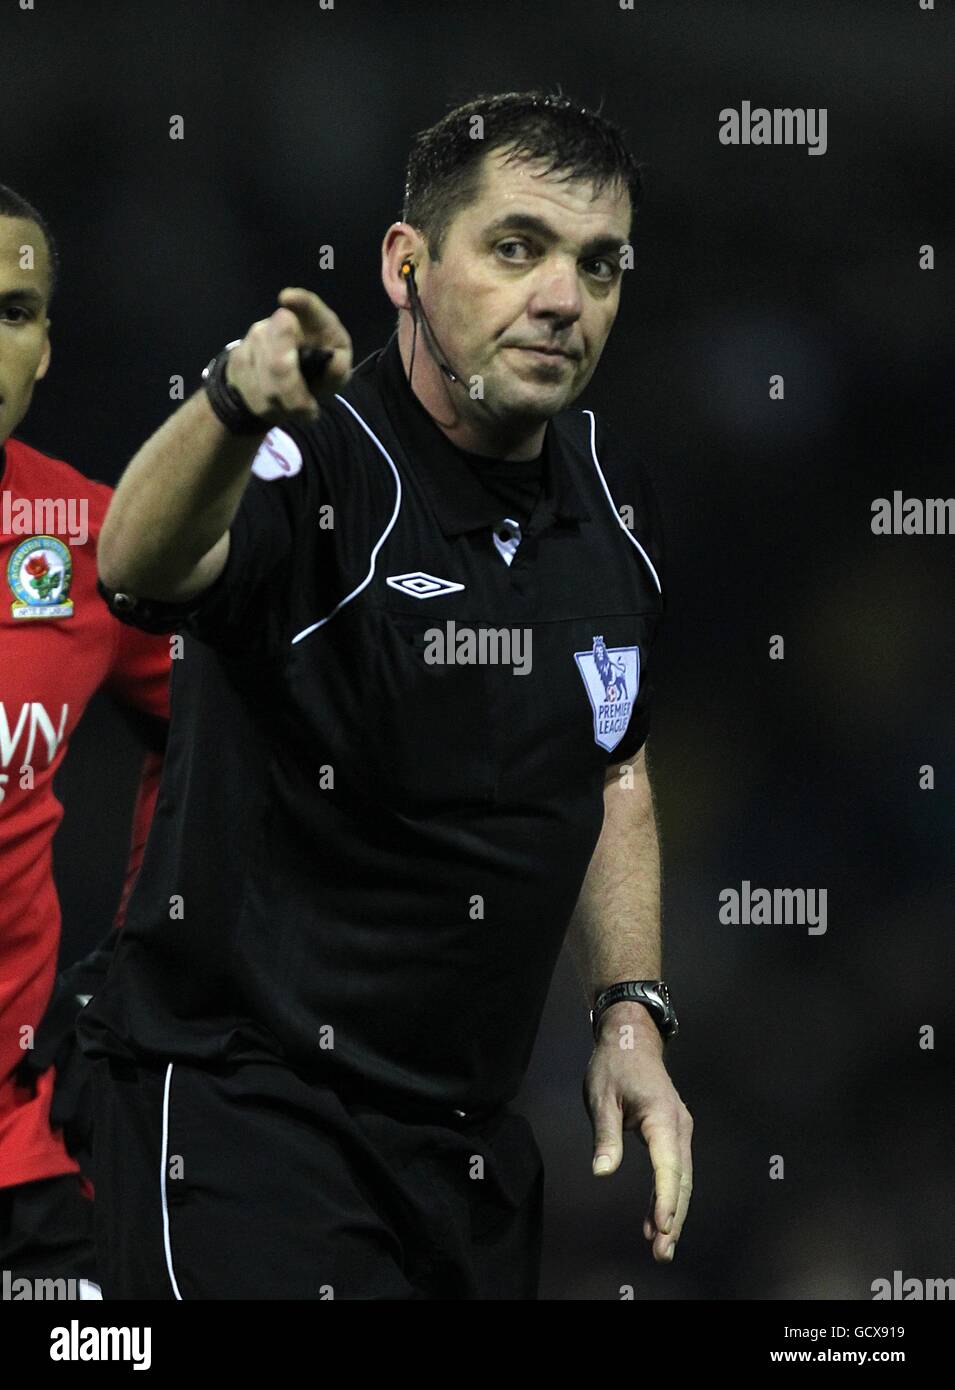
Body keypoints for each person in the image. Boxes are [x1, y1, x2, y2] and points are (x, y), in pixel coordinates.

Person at [81, 90, 693, 1300]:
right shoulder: (318, 461)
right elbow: (133, 563)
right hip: (244, 1116)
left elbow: (610, 757)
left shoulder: (613, 501)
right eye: (516, 248)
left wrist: (629, 1009)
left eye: (598, 263)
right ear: (406, 265)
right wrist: (226, 400)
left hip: (462, 1156)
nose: (563, 299)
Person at [0, 184, 170, 1295]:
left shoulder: (83, 532)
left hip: (23, 1170)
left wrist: (139, 961)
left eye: (15, 310)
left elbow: (216, 732)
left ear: (47, 348)